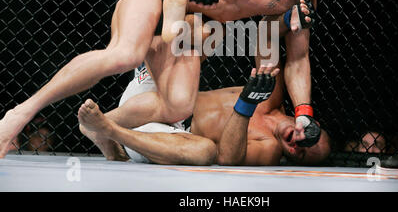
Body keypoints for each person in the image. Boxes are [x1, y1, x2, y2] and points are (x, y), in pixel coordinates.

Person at [0, 0, 351, 158]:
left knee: (178, 105)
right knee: (125, 54)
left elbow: (298, 58)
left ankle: (103, 125)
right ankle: (20, 114)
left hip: (189, 24)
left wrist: (304, 112)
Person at [78, 63, 331, 166]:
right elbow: (269, 36)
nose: (299, 144)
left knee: (205, 152)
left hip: (162, 139)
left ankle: (110, 131)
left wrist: (246, 102)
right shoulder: (273, 91)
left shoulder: (270, 149)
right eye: (309, 138)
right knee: (194, 30)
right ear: (310, 122)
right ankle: (109, 138)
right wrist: (288, 21)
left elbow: (227, 158)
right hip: (161, 96)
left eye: (302, 154)